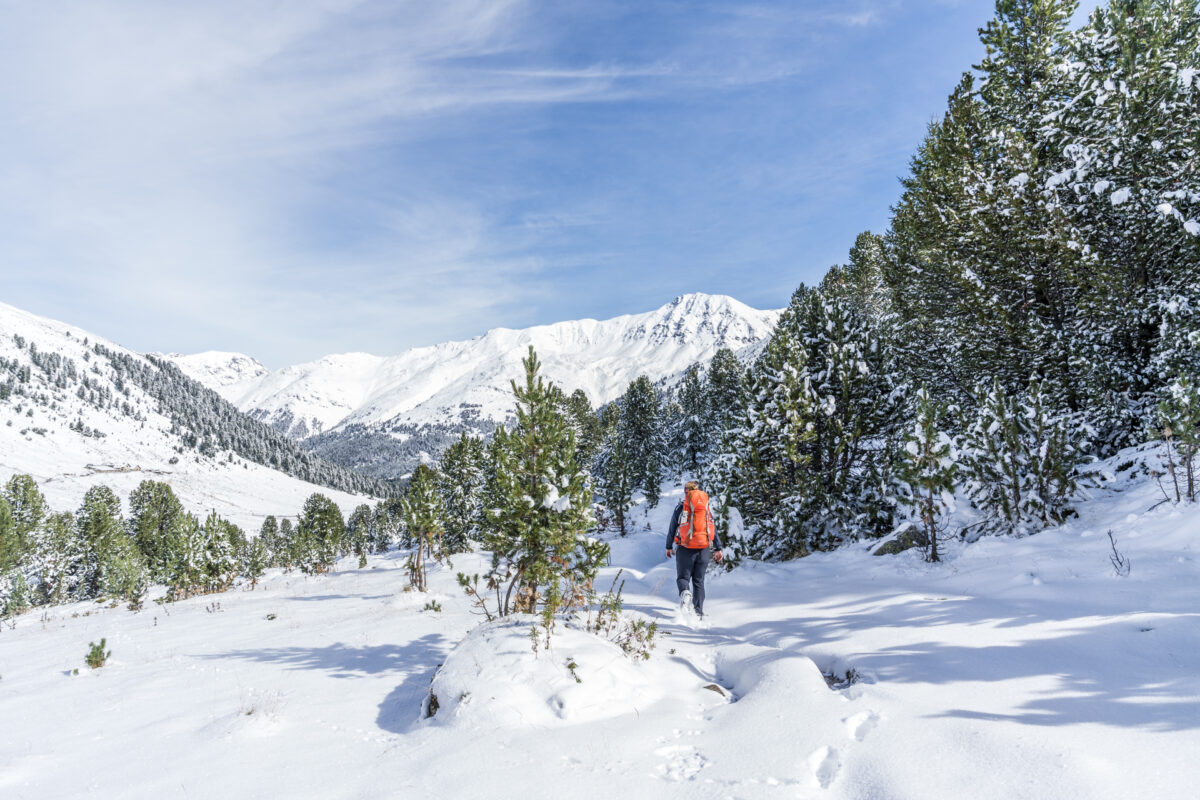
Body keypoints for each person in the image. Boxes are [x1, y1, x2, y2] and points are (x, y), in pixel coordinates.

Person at [665, 481, 724, 618]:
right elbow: (712, 528)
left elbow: (672, 528)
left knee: (682, 577)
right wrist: (718, 548)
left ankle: (685, 592)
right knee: (698, 581)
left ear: (686, 491)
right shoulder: (704, 507)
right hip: (703, 549)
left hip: (685, 548)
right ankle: (699, 613)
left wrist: (668, 547)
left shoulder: (681, 507)